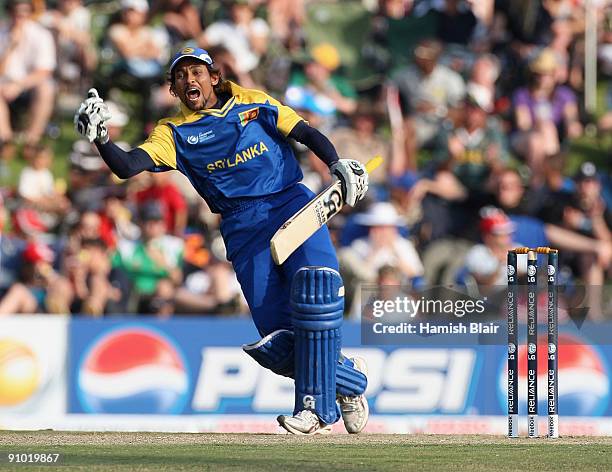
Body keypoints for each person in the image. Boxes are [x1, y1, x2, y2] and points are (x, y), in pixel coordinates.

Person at [74, 46, 371, 435]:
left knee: (316, 290)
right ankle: (350, 381)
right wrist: (101, 139)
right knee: (280, 342)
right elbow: (128, 165)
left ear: (214, 76)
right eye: (180, 77)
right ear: (173, 90)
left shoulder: (254, 102)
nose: (189, 80)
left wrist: (336, 162)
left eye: (196, 72)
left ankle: (312, 410)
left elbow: (305, 132)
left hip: (290, 204)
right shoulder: (174, 132)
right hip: (242, 226)